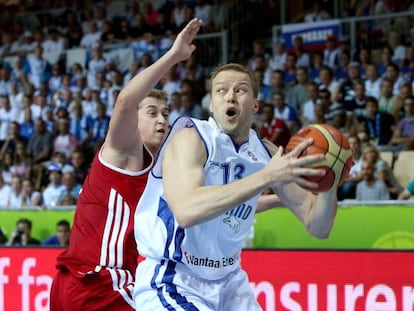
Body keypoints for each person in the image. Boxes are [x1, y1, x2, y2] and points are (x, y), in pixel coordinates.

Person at [133, 67, 339, 309]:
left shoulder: (267, 154)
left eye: (240, 90)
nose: (230, 96)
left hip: (230, 282)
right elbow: (186, 210)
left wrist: (330, 181)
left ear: (254, 105)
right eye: (221, 90)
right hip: (175, 278)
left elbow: (318, 226)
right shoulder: (191, 138)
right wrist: (266, 177)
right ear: (212, 104)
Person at [49, 18, 200, 311]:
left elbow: (202, 206)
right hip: (101, 281)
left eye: (165, 113)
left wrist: (270, 193)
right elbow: (126, 101)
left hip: (76, 284)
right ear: (135, 121)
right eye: (153, 112)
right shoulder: (123, 152)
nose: (162, 119)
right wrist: (175, 55)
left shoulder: (161, 170)